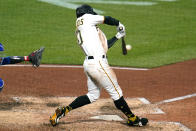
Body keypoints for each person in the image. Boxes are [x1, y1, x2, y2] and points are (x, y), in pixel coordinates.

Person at [50, 4, 148, 127]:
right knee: (116, 92)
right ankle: (133, 119)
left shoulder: (82, 28)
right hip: (98, 64)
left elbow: (103, 47)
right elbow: (107, 19)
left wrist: (118, 36)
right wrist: (119, 24)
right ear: (87, 12)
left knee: (92, 95)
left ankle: (63, 111)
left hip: (89, 64)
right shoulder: (87, 18)